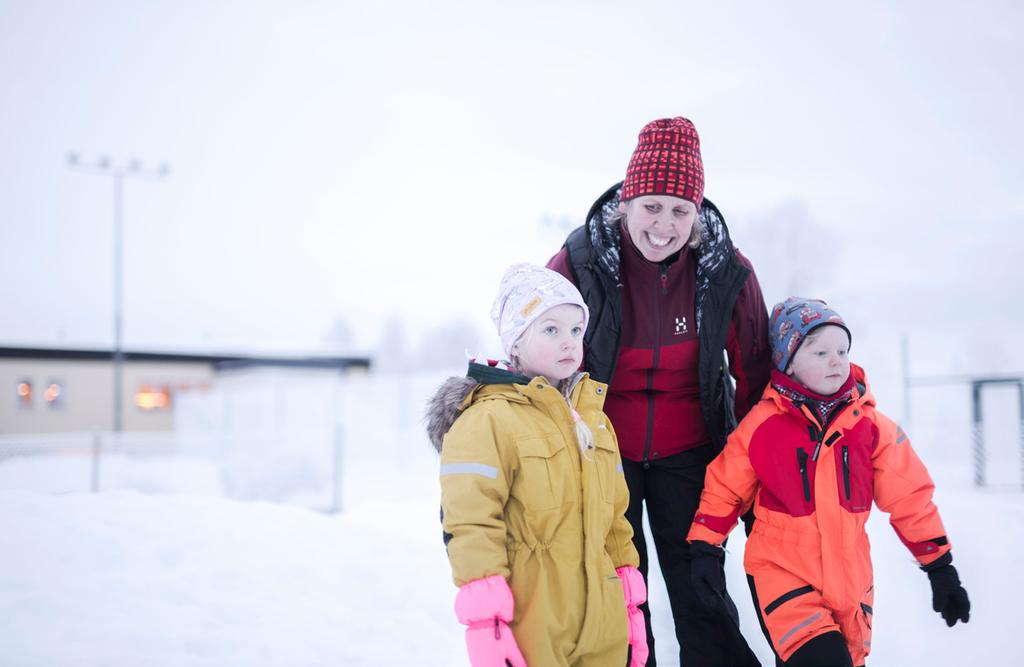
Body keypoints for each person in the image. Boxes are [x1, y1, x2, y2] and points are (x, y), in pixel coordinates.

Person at [548, 117, 770, 666]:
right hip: (602, 455)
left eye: (680, 209)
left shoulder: (725, 272)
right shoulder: (580, 263)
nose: (664, 224)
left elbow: (757, 376)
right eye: (652, 205)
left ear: (697, 214)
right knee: (618, 590)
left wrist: (758, 473)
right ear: (627, 201)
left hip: (690, 453)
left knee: (701, 589)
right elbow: (536, 358)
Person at [687, 297, 971, 667]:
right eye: (820, 352)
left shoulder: (870, 427)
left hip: (851, 580)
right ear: (787, 362)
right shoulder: (763, 425)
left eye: (842, 349)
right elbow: (724, 487)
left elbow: (910, 496)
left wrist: (939, 566)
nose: (837, 360)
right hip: (783, 574)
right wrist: (706, 548)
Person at [426, 263, 649, 667]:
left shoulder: (594, 420)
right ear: (515, 341)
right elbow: (472, 524)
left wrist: (630, 611)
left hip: (601, 626)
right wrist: (487, 624)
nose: (569, 342)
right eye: (551, 329)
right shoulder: (488, 420)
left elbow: (616, 522)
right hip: (530, 621)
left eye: (576, 330)